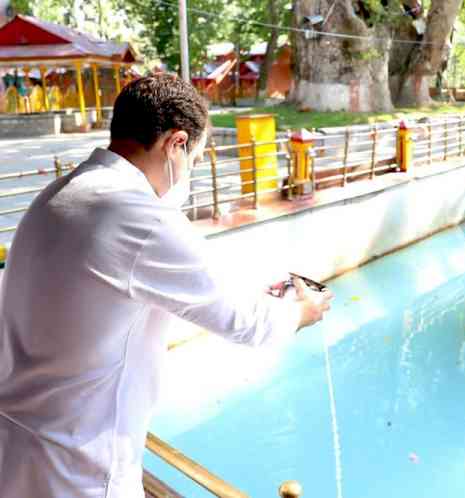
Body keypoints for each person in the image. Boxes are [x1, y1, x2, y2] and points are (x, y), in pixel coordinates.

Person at [0, 73, 333, 497]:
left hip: (17, 446)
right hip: (81, 469)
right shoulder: (138, 215)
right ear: (176, 144)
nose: (190, 170)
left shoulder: (57, 195)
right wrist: (301, 311)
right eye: (193, 157)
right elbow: (245, 323)